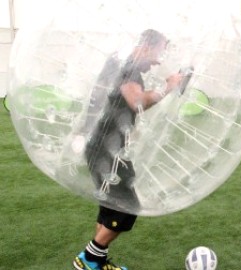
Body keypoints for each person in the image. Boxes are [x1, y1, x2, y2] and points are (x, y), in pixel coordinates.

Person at [73, 29, 183, 270]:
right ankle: (87, 259)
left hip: (101, 146)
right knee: (127, 207)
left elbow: (134, 106)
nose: (158, 61)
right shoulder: (129, 67)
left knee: (111, 205)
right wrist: (168, 86)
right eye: (158, 52)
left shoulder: (118, 61)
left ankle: (97, 263)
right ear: (146, 46)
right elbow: (137, 102)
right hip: (105, 149)